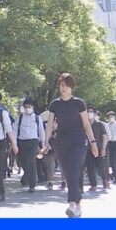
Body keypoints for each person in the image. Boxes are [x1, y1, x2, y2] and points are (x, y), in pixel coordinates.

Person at [42, 73, 98, 218]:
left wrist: (93, 143)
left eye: (66, 85)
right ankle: (78, 205)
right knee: (68, 174)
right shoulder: (55, 104)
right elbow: (49, 125)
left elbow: (86, 124)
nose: (64, 88)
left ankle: (72, 205)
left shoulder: (79, 103)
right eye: (61, 85)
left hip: (78, 141)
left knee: (73, 171)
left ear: (72, 87)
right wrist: (46, 142)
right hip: (60, 142)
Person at [13, 98, 44, 193]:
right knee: (23, 162)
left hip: (33, 142)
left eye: (29, 107)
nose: (27, 109)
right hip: (22, 141)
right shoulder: (20, 117)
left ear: (32, 107)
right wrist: (14, 143)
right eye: (25, 107)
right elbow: (14, 130)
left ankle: (32, 184)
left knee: (31, 162)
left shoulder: (37, 118)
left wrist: (43, 144)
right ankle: (26, 175)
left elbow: (41, 131)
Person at [83, 106, 108, 191]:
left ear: (94, 114)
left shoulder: (100, 125)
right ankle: (93, 184)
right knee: (90, 167)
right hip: (87, 149)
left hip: (98, 148)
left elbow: (104, 137)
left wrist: (103, 148)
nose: (89, 113)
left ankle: (104, 179)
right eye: (87, 112)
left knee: (100, 166)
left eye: (91, 112)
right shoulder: (84, 125)